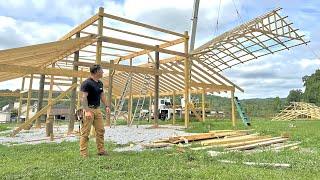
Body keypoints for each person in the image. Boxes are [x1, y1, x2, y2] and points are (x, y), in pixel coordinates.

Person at [80, 64, 110, 157]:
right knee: (86, 132)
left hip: (97, 109)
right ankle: (83, 153)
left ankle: (101, 150)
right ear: (96, 72)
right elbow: (83, 98)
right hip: (89, 109)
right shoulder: (87, 83)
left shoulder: (100, 83)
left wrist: (107, 106)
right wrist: (87, 110)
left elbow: (102, 95)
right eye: (101, 70)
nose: (103, 72)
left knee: (100, 130)